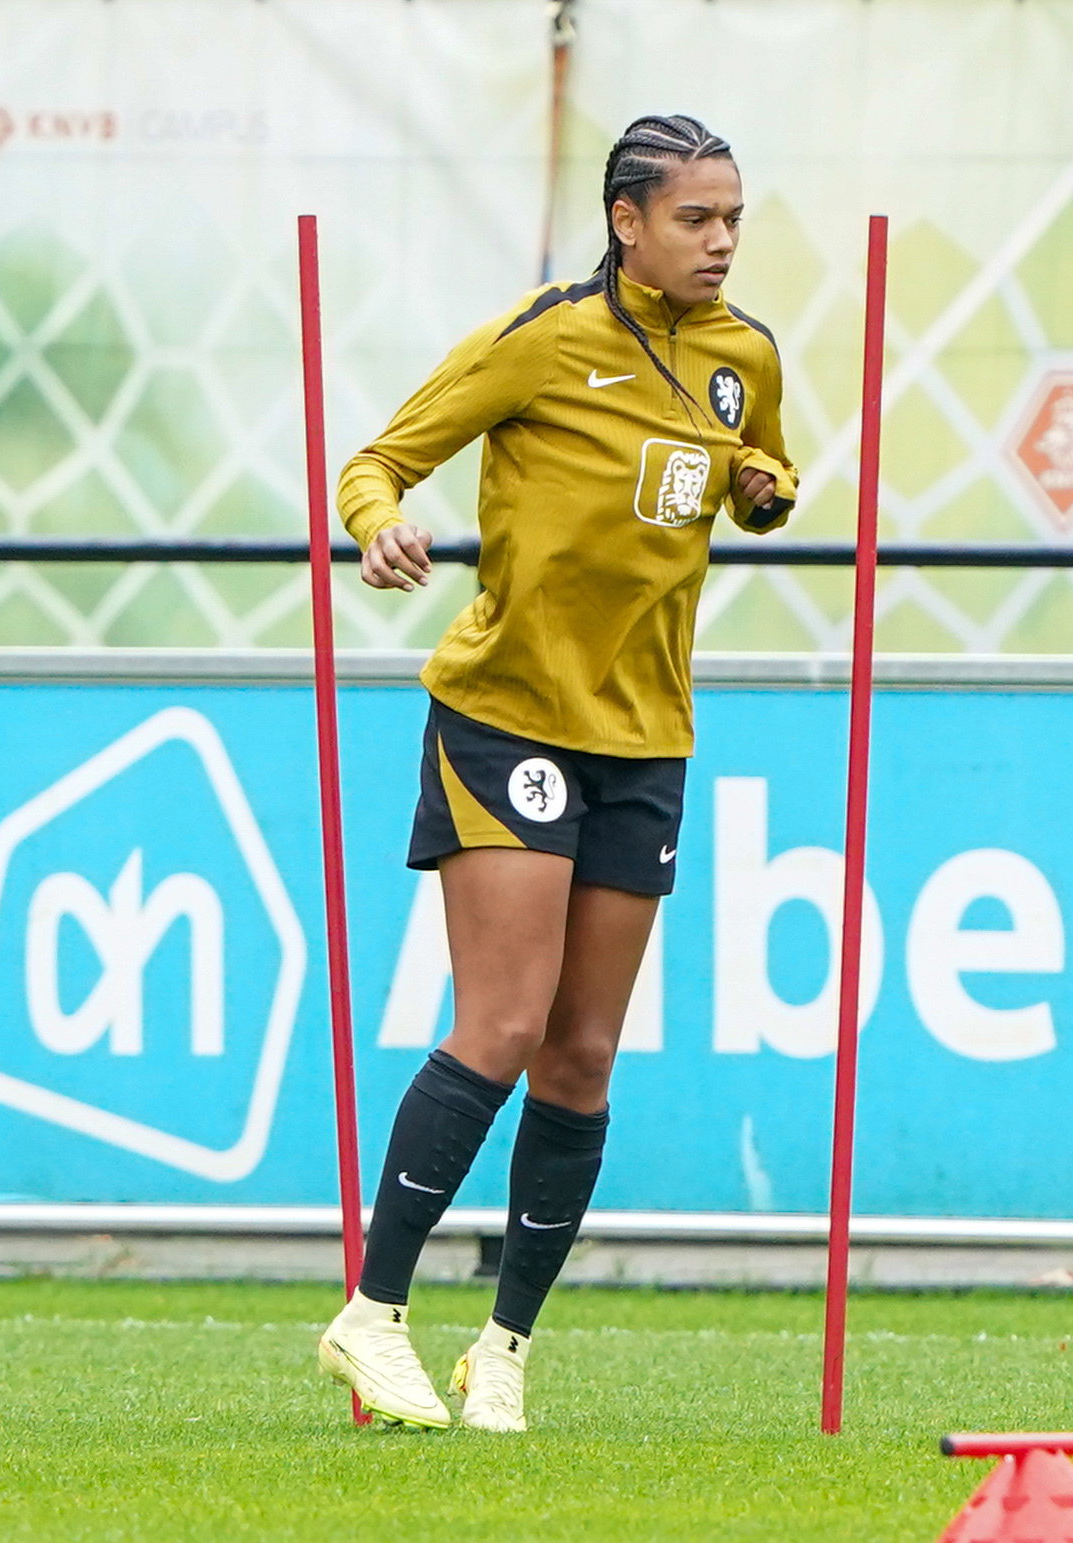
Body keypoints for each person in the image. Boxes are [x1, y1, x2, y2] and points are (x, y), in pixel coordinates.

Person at [316, 114, 797, 1433]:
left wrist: (762, 485)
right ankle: (372, 1315)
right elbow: (378, 461)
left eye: (733, 218)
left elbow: (762, 469)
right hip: (507, 716)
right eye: (695, 218)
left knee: (583, 1055)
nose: (719, 242)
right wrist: (381, 527)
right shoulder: (541, 337)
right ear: (626, 220)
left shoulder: (741, 356)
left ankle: (505, 1348)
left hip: (645, 735)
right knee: (506, 1021)